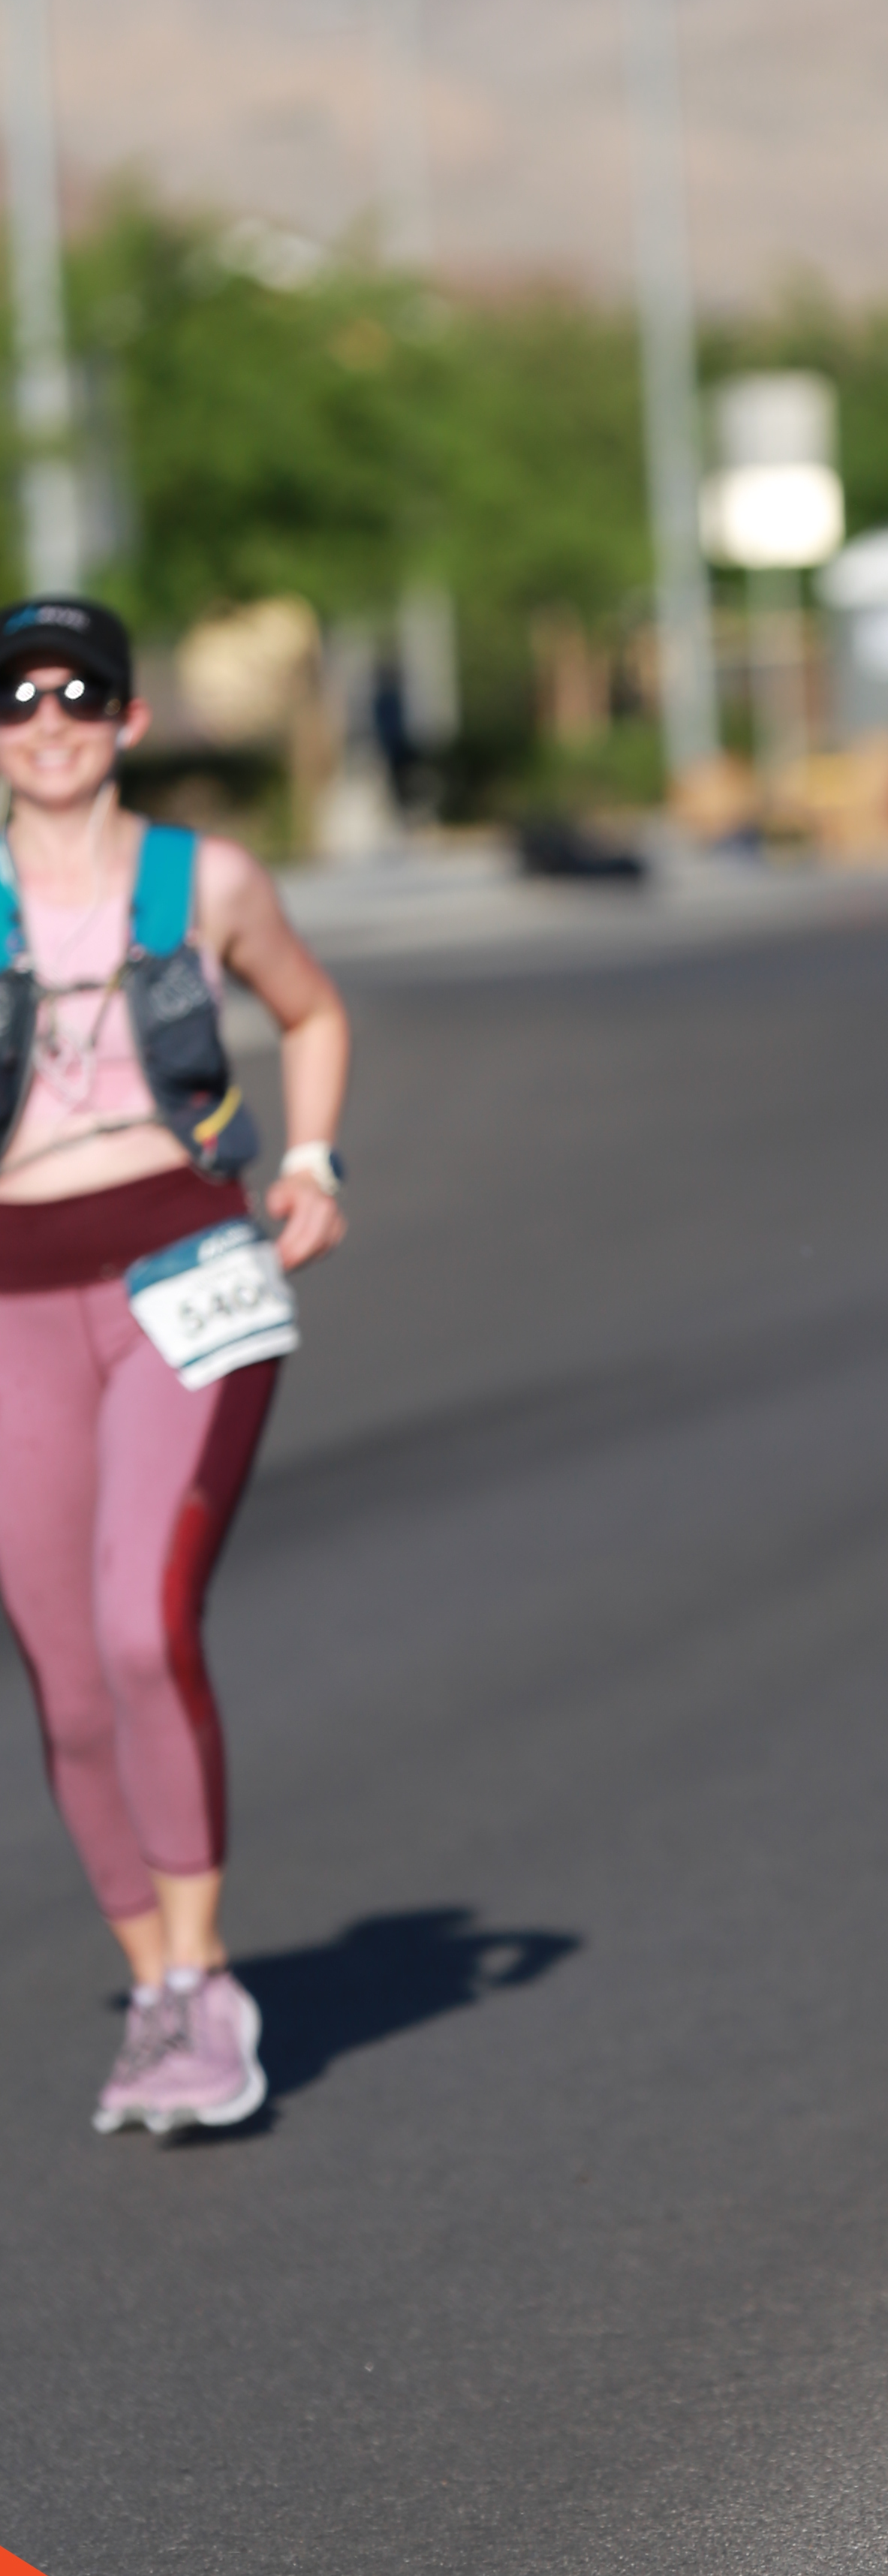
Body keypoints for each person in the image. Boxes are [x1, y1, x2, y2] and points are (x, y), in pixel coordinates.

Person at [0, 594, 350, 2138]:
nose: (49, 723)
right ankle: (150, 1987)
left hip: (184, 1270)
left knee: (144, 1625)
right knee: (67, 1679)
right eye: (19, 698)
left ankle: (206, 1983)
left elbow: (310, 1010)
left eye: (80, 695)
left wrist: (315, 1159)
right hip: (14, 1295)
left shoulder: (204, 879)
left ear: (129, 720)